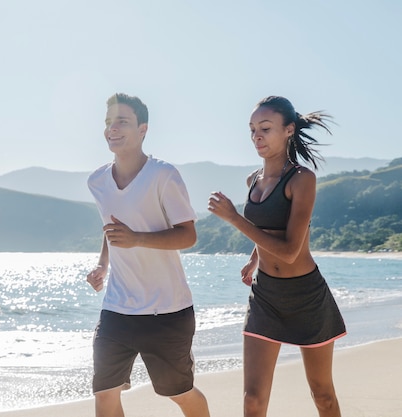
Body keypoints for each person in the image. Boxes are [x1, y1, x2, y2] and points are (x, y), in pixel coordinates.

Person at [207, 95, 347, 417]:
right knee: (253, 399)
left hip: (306, 296)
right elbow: (266, 229)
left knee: (323, 395)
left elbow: (289, 249)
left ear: (288, 130)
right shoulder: (252, 180)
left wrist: (233, 219)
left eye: (266, 128)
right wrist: (254, 260)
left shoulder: (301, 179)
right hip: (266, 295)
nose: (257, 136)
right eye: (253, 129)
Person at [86, 93, 210, 417]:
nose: (113, 129)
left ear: (143, 129)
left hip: (167, 311)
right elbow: (111, 229)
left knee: (179, 393)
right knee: (104, 393)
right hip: (116, 308)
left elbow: (189, 235)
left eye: (122, 122)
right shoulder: (97, 181)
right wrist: (103, 263)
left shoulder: (163, 175)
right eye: (108, 123)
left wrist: (137, 238)